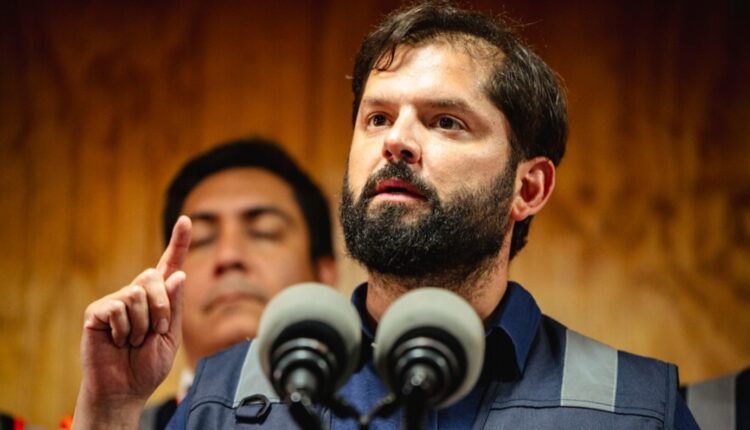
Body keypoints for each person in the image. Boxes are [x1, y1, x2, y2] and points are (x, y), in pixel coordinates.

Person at [73, 2, 698, 428]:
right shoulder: (226, 394)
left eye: (445, 121)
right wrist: (111, 411)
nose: (395, 142)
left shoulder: (639, 406)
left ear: (528, 187)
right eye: (377, 118)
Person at [72, 138, 336, 429]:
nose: (228, 255)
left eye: (264, 231)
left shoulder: (368, 417)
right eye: (201, 239)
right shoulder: (113, 420)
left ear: (325, 276)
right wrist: (110, 413)